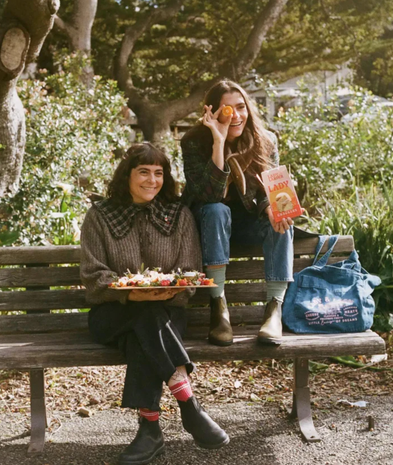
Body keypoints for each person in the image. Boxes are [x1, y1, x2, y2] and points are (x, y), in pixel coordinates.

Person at [80, 143, 229, 465]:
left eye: (158, 173)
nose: (152, 180)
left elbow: (189, 271)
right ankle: (189, 406)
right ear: (127, 175)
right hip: (111, 313)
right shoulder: (100, 216)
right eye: (143, 172)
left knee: (144, 329)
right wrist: (129, 292)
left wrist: (170, 290)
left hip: (166, 312)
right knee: (144, 314)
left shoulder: (178, 215)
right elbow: (93, 277)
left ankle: (150, 432)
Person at [181, 80, 295, 347]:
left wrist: (272, 208)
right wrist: (218, 141)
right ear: (212, 112)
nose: (236, 115)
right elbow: (210, 196)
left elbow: (272, 185)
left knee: (281, 220)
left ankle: (274, 310)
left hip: (245, 224)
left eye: (241, 107)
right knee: (216, 209)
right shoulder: (193, 141)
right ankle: (218, 306)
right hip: (208, 225)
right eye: (227, 109)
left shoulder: (265, 140)